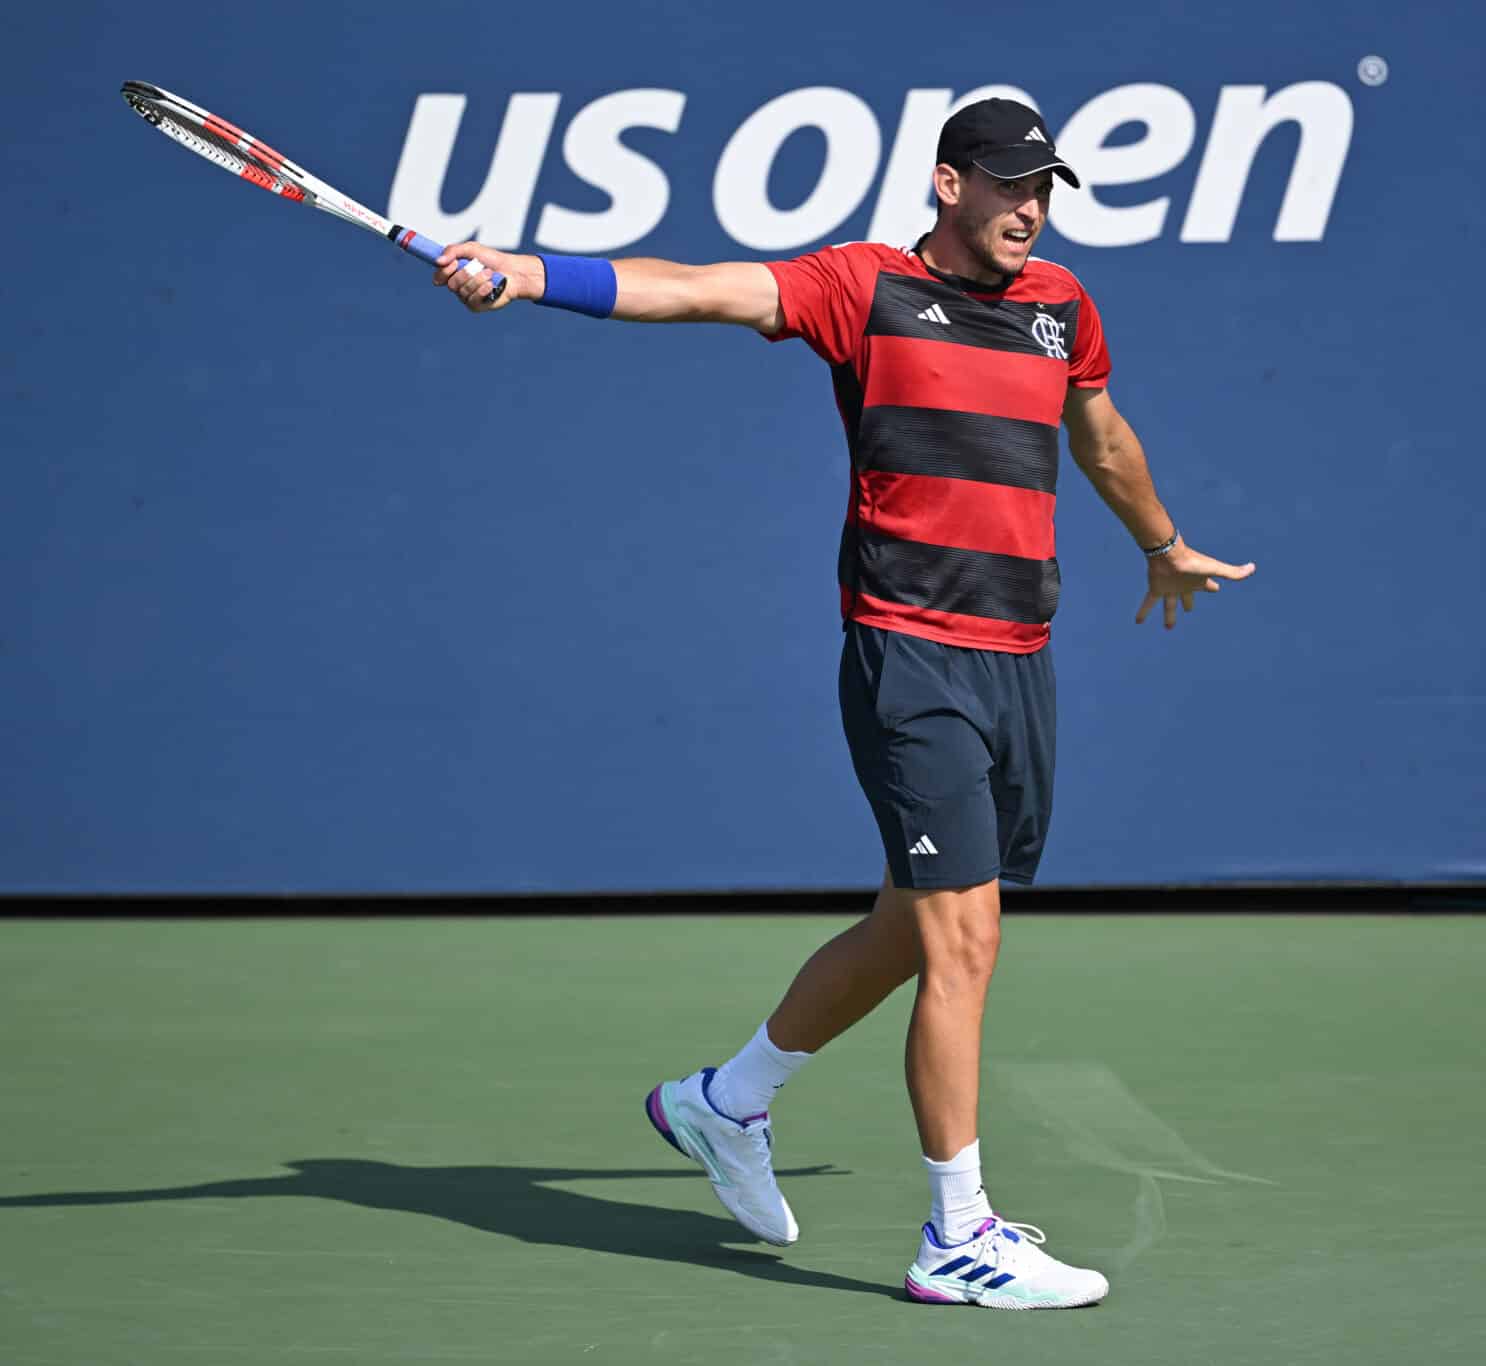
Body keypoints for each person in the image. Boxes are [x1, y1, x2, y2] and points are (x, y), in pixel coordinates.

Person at [433, 97, 1254, 1310]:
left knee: (912, 923)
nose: (1032, 205)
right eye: (1010, 183)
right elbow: (698, 288)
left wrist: (1163, 543)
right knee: (963, 941)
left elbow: (1104, 437)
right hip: (907, 651)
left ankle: (724, 1100)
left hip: (1018, 654)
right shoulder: (858, 290)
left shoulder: (1061, 308)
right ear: (946, 185)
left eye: (1046, 187)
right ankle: (954, 1236)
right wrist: (526, 269)